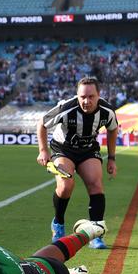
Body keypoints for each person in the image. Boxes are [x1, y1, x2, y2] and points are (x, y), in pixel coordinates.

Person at [36, 76, 118, 249]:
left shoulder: (107, 111)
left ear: (99, 95)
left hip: (88, 149)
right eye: (82, 97)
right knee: (66, 185)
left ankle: (96, 233)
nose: (86, 101)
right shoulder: (66, 108)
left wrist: (111, 158)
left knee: (96, 184)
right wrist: (43, 150)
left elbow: (113, 130)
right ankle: (58, 224)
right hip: (63, 149)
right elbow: (42, 124)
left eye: (91, 96)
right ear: (77, 95)